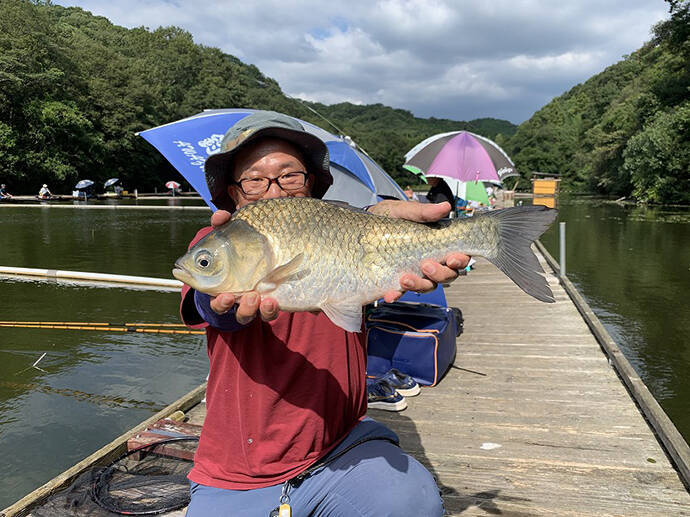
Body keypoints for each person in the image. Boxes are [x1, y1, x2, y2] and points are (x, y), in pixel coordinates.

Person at [179, 111, 470, 517]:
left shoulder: (349, 228)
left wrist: (413, 244)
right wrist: (222, 306)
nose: (274, 191)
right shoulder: (213, 242)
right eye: (254, 179)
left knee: (416, 505)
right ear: (235, 191)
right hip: (239, 468)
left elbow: (362, 232)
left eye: (290, 176)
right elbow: (209, 307)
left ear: (311, 182)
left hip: (341, 446)